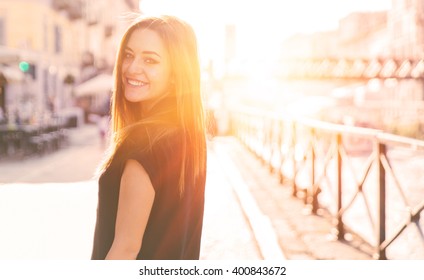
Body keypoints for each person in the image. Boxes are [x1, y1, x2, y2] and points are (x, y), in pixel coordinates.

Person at [91, 14, 207, 260]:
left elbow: (124, 250)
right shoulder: (186, 136)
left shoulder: (143, 142)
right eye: (129, 55)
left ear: (176, 73)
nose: (132, 68)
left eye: (150, 60)